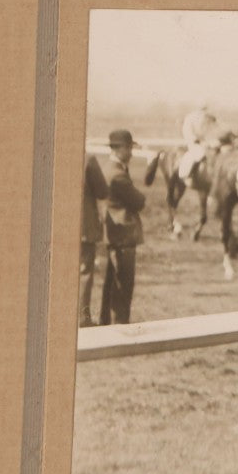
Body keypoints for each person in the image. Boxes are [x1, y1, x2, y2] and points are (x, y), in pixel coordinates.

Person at [99, 129, 146, 326]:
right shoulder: (118, 174)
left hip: (113, 233)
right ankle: (120, 324)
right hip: (123, 234)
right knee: (123, 284)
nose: (132, 153)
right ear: (120, 149)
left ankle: (105, 323)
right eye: (129, 148)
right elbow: (138, 201)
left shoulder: (108, 168)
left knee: (111, 283)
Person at [79, 152, 108, 327]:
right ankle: (82, 318)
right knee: (84, 273)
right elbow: (103, 191)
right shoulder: (88, 159)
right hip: (83, 226)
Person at [177, 104, 219, 184]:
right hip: (195, 143)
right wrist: (196, 140)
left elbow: (215, 128)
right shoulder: (190, 117)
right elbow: (187, 131)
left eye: (205, 108)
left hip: (208, 141)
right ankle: (189, 174)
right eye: (203, 108)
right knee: (200, 154)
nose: (204, 110)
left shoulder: (210, 117)